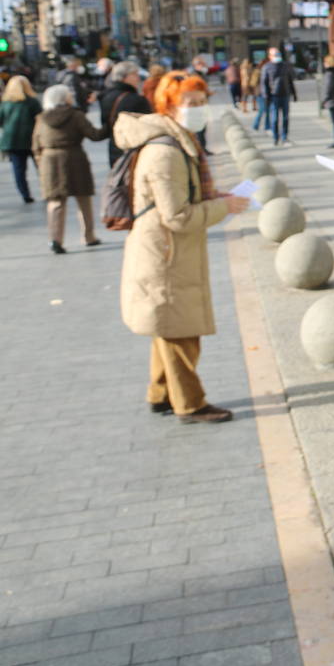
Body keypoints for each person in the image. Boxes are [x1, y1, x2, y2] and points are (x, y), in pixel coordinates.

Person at [115, 71, 249, 424]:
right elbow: (176, 216)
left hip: (171, 251)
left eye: (203, 102)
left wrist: (218, 198)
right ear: (169, 105)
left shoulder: (178, 141)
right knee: (180, 333)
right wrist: (224, 207)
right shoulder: (166, 152)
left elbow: (182, 199)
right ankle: (190, 404)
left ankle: (160, 394)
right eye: (190, 103)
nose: (199, 109)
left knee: (169, 327)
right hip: (165, 253)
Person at [32, 84, 107, 253]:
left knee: (55, 201)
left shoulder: (41, 118)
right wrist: (109, 124)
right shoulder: (76, 115)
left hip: (50, 160)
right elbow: (95, 135)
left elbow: (36, 144)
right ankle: (89, 236)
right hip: (75, 158)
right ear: (66, 98)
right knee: (83, 198)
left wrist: (40, 162)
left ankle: (55, 239)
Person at [99, 61, 154, 167]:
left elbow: (105, 124)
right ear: (124, 77)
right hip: (134, 149)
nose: (138, 78)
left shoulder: (106, 96)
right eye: (134, 74)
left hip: (114, 146)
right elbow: (148, 126)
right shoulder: (135, 99)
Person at [0, 75, 42, 203]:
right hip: (32, 140)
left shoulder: (6, 103)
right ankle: (46, 190)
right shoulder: (32, 101)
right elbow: (40, 119)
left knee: (19, 170)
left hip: (12, 142)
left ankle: (25, 194)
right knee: (41, 168)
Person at [259, 48, 297, 146]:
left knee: (285, 118)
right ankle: (276, 138)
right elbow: (264, 83)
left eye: (278, 54)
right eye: (275, 54)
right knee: (275, 118)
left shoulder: (285, 66)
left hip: (285, 95)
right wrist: (266, 96)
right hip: (273, 96)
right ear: (270, 56)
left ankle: (284, 137)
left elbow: (290, 80)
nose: (277, 56)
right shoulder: (267, 67)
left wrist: (294, 94)